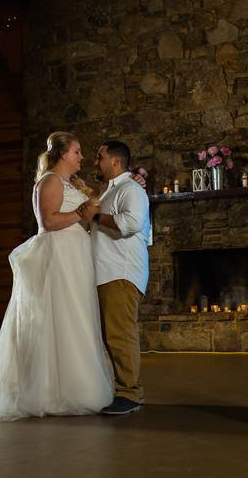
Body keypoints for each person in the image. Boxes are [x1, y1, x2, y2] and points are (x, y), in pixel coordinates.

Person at [0, 132, 113, 420]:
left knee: (76, 317)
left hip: (75, 256)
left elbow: (99, 197)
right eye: (77, 151)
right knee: (60, 317)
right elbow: (48, 221)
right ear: (63, 154)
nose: (81, 157)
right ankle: (53, 392)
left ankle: (77, 385)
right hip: (59, 256)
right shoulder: (49, 181)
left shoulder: (71, 182)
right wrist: (81, 213)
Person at [86, 140, 151, 415]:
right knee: (111, 336)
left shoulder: (131, 189)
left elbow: (131, 223)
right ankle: (123, 389)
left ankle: (130, 394)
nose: (95, 162)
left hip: (120, 273)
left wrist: (96, 217)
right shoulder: (109, 191)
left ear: (115, 161)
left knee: (120, 335)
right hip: (107, 272)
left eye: (99, 157)